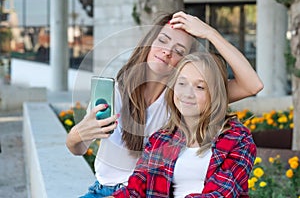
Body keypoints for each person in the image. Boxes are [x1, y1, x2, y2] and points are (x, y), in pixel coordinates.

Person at [66, 11, 263, 197]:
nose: (167, 52)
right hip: (109, 190)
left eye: (178, 51)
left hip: (150, 192)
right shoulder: (115, 92)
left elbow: (252, 85)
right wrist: (78, 134)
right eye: (162, 41)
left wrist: (209, 33)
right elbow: (78, 149)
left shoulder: (183, 98)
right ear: (149, 43)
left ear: (185, 63)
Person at [111, 52, 257, 197]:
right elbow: (135, 190)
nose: (187, 94)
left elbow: (221, 194)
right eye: (181, 83)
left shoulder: (238, 139)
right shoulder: (161, 139)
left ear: (215, 94)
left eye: (200, 87)